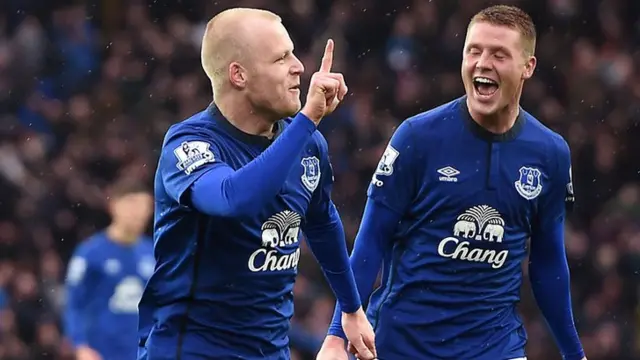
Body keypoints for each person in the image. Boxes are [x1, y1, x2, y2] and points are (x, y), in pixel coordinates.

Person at [317, 5, 587, 360]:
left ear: (528, 67)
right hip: (405, 345)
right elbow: (371, 241)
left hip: (496, 348)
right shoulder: (417, 137)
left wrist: (573, 354)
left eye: (499, 55)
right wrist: (337, 334)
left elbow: (549, 262)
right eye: (473, 51)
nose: (482, 63)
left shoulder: (550, 153)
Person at [136, 8, 376, 360]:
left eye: (293, 54)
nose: (299, 67)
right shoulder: (189, 145)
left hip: (269, 351)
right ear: (239, 74)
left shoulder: (306, 143)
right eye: (281, 58)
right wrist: (307, 119)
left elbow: (322, 222)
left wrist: (351, 310)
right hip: (190, 350)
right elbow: (232, 199)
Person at [63, 178, 154, 360]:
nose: (138, 213)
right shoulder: (90, 252)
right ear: (113, 205)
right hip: (101, 353)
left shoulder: (152, 252)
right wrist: (80, 346)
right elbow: (73, 304)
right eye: (132, 205)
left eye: (145, 206)